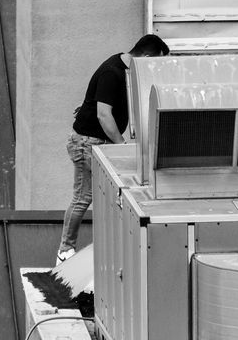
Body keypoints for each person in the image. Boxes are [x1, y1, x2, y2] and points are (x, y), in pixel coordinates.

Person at [57, 32, 169, 263]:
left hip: (96, 142)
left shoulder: (124, 69)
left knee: (106, 195)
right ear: (146, 56)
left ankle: (81, 249)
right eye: (156, 62)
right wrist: (121, 145)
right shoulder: (113, 72)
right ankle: (65, 251)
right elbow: (103, 115)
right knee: (87, 196)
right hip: (88, 143)